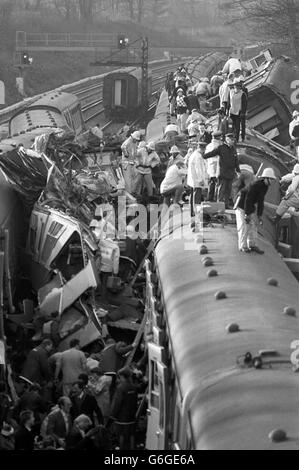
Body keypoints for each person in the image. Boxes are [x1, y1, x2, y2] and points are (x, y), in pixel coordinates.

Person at [243, 168, 277, 254]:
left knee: (253, 225)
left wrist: (259, 215)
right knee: (245, 226)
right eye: (271, 179)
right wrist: (247, 214)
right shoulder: (256, 185)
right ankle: (243, 246)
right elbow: (248, 199)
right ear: (266, 178)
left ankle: (252, 245)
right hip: (242, 205)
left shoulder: (264, 187)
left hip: (249, 205)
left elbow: (260, 201)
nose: (272, 181)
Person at [204, 133, 240, 208]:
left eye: (233, 140)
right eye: (231, 140)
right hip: (222, 173)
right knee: (221, 190)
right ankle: (219, 204)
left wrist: (238, 170)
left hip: (230, 173)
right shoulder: (221, 147)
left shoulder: (233, 148)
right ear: (227, 140)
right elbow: (212, 153)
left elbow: (236, 160)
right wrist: (203, 156)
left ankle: (226, 205)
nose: (233, 141)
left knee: (228, 190)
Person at [110, 367, 138, 450]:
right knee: (131, 434)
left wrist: (113, 415)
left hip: (121, 417)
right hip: (131, 416)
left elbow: (117, 403)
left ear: (122, 376)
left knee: (121, 434)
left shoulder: (120, 388)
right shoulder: (133, 387)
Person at [234, 165, 256, 252]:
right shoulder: (244, 189)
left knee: (250, 225)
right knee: (243, 225)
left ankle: (250, 244)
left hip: (246, 206)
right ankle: (243, 246)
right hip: (241, 206)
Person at [187, 142, 208, 217]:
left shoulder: (194, 154)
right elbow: (198, 169)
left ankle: (192, 211)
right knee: (196, 196)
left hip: (192, 179)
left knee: (192, 195)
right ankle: (196, 212)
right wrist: (201, 180)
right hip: (196, 180)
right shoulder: (198, 156)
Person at [229, 78, 248, 142]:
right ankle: (231, 137)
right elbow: (229, 102)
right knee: (231, 125)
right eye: (236, 86)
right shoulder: (231, 92)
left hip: (238, 112)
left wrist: (243, 113)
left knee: (237, 126)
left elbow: (244, 104)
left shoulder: (243, 94)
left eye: (238, 86)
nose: (237, 87)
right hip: (231, 112)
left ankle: (237, 139)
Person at [205, 131, 222, 202]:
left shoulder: (209, 145)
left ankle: (210, 198)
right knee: (216, 184)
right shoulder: (218, 146)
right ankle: (214, 198)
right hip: (216, 167)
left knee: (211, 183)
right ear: (218, 138)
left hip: (210, 167)